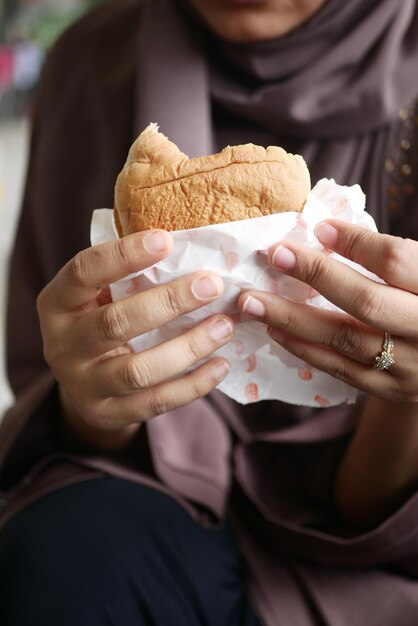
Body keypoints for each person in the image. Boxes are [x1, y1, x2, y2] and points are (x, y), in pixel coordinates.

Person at [1, 0, 418, 623]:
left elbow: (363, 514)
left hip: (370, 557)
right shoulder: (95, 66)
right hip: (148, 509)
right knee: (62, 551)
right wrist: (98, 394)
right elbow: (67, 408)